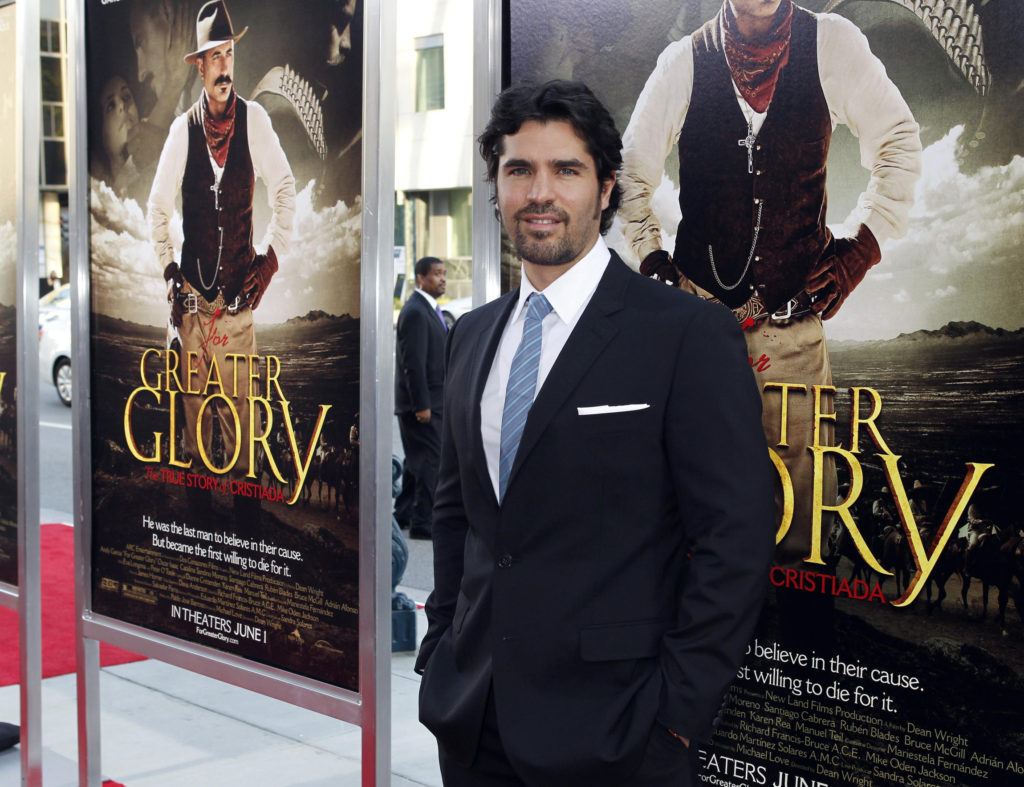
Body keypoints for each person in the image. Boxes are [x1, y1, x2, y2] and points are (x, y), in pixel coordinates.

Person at [415, 80, 775, 787]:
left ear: (606, 188)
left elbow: (735, 542)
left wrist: (675, 717)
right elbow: (456, 512)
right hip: (472, 723)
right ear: (496, 187)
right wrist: (442, 644)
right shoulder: (473, 335)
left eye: (566, 170)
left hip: (618, 736)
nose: (539, 192)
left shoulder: (685, 334)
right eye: (519, 169)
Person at [619, 0, 922, 574]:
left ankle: (801, 658)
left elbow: (899, 142)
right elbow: (630, 173)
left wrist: (864, 246)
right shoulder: (681, 62)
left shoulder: (833, 43)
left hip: (796, 337)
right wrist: (652, 259)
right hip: (700, 338)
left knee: (806, 539)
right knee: (694, 525)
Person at [148, 0, 295, 522]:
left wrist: (269, 261)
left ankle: (245, 538)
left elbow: (284, 189)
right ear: (200, 66)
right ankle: (199, 535)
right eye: (214, 57)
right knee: (193, 430)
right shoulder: (180, 131)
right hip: (192, 311)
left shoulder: (254, 121)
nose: (224, 66)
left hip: (235, 309)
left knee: (242, 433)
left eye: (229, 53)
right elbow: (157, 207)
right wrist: (170, 272)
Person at [394, 257, 448, 540]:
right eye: (436, 274)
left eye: (444, 274)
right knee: (430, 462)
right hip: (422, 405)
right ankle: (423, 523)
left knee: (418, 461)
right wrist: (422, 405)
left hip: (430, 402)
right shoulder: (416, 311)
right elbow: (412, 363)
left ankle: (403, 514)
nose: (442, 279)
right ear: (421, 278)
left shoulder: (429, 309)